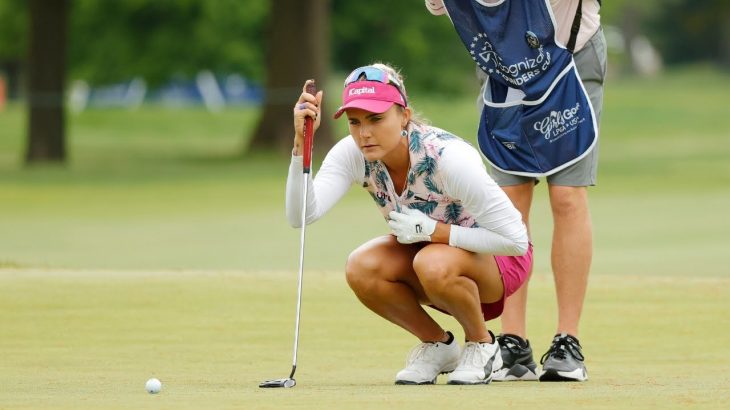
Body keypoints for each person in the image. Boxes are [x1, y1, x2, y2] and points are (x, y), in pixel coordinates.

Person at [286, 63, 532, 385]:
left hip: (500, 261)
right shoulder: (353, 153)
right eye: (355, 122)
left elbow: (516, 240)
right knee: (362, 266)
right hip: (428, 258)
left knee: (431, 261)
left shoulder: (448, 158)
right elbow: (300, 215)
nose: (364, 133)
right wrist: (300, 144)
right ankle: (439, 346)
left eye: (376, 119)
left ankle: (483, 345)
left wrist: (436, 232)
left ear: (404, 115)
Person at [425, 0, 607, 382]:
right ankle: (513, 343)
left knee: (567, 197)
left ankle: (567, 341)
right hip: (504, 67)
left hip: (569, 59)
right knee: (508, 205)